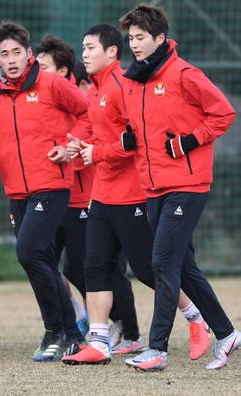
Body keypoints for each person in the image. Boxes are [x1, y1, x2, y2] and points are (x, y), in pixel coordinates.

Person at [60, 23, 212, 365]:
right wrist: (87, 147)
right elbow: (113, 140)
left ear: (112, 52)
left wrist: (97, 153)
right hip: (101, 194)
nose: (84, 54)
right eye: (82, 48)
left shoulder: (123, 86)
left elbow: (136, 141)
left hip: (133, 194)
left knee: (149, 270)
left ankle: (196, 320)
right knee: (93, 265)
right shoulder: (96, 89)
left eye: (90, 48)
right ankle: (98, 344)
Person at [115, 3, 241, 372]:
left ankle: (156, 349)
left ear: (160, 38)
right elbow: (135, 125)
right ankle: (227, 333)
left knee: (161, 263)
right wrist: (128, 137)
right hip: (152, 186)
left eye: (141, 37)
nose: (135, 44)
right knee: (183, 266)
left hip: (188, 184)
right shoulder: (132, 80)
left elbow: (224, 113)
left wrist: (190, 141)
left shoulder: (185, 74)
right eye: (131, 38)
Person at [0, 21, 90, 361]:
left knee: (28, 252)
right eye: (3, 54)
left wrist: (69, 146)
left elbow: (87, 112)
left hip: (53, 185)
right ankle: (66, 333)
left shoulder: (53, 83)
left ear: (29, 54)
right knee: (38, 258)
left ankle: (58, 329)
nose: (11, 60)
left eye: (16, 53)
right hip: (16, 189)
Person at [33, 35, 91, 334]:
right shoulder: (34, 99)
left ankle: (118, 325)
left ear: (64, 73)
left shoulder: (74, 100)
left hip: (83, 199)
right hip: (48, 196)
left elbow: (91, 124)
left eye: (43, 67)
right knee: (39, 259)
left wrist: (71, 149)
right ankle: (74, 317)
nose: (35, 72)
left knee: (81, 269)